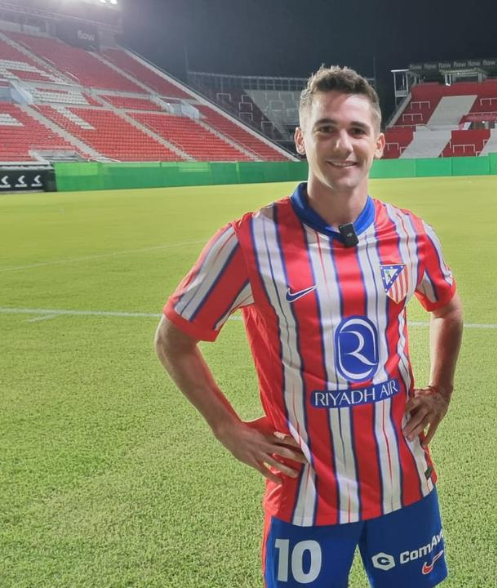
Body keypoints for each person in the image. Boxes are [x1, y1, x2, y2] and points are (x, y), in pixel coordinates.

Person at [156, 65, 463, 588]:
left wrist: (441, 389)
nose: (343, 145)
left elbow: (447, 309)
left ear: (379, 144)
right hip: (306, 492)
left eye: (357, 130)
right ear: (301, 139)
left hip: (403, 480)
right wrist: (226, 427)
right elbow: (173, 339)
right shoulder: (249, 240)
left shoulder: (412, 234)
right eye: (326, 129)